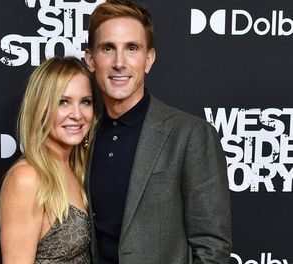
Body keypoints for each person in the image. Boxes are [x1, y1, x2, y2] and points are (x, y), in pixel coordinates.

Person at [84, 0, 232, 263]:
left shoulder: (190, 135)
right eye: (108, 48)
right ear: (91, 59)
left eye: (132, 48)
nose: (119, 62)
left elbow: (212, 247)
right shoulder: (84, 134)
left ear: (148, 59)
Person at [0, 56, 97, 264]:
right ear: (41, 108)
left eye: (85, 102)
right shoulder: (26, 178)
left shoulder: (78, 169)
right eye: (63, 102)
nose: (77, 115)